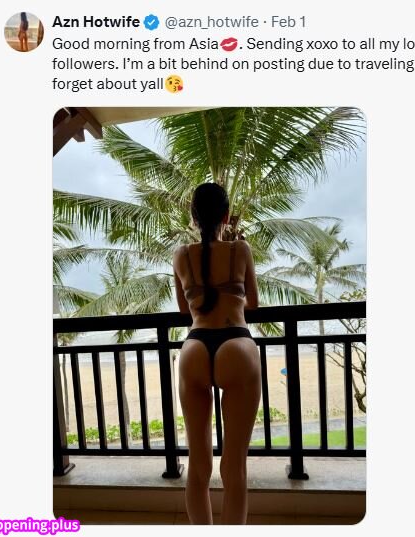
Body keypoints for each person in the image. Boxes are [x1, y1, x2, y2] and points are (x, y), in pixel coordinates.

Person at [173, 182, 261, 524]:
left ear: (194, 218)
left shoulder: (181, 255)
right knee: (234, 467)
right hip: (236, 344)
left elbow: (185, 309)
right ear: (226, 216)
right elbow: (253, 303)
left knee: (198, 467)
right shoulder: (240, 249)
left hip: (195, 347)